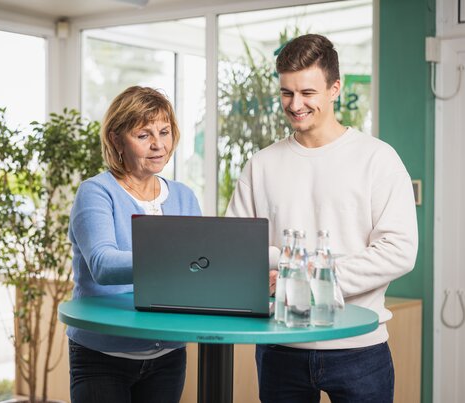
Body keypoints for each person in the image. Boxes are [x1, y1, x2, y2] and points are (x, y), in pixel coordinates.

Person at [226, 34, 418, 402]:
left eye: (307, 93)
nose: (295, 105)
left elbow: (399, 251)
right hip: (280, 347)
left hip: (360, 347)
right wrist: (283, 270)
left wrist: (312, 280)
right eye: (286, 93)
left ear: (334, 88)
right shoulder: (261, 165)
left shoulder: (378, 159)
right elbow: (235, 248)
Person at [67, 86, 201, 403]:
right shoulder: (96, 192)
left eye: (165, 132)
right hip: (102, 355)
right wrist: (179, 261)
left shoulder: (183, 196)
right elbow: (103, 264)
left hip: (168, 354)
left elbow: (200, 268)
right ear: (116, 139)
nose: (158, 145)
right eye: (143, 135)